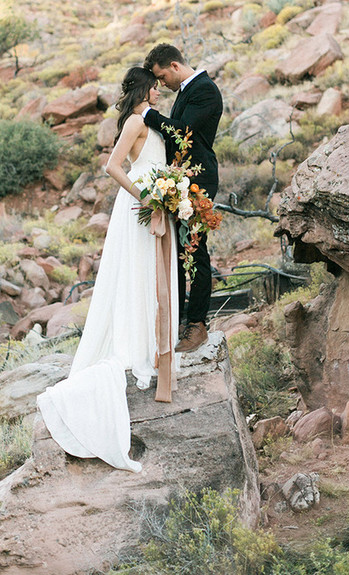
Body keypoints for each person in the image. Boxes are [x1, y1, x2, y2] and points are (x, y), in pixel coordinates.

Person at [37, 67, 179, 472]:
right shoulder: (136, 121)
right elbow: (114, 167)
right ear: (145, 88)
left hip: (157, 204)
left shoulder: (147, 120)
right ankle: (136, 349)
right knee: (137, 279)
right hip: (140, 206)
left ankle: (151, 345)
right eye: (154, 85)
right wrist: (147, 195)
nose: (158, 90)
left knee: (152, 279)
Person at [142, 43, 223, 353]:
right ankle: (177, 319)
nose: (162, 84)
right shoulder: (186, 92)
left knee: (195, 250)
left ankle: (198, 323)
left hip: (199, 180)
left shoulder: (205, 90)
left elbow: (182, 131)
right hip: (181, 180)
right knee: (178, 250)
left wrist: (149, 114)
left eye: (162, 77)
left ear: (174, 66)